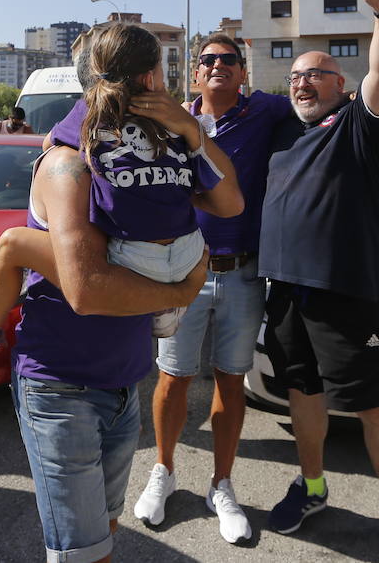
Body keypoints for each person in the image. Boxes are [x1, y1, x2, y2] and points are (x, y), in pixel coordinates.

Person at [0, 23, 224, 563]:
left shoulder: (153, 153)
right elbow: (87, 290)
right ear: (146, 78)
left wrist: (189, 132)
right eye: (164, 68)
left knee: (105, 528)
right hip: (60, 386)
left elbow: (227, 201)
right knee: (83, 552)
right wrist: (181, 290)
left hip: (123, 382)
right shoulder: (71, 160)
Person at [0, 22, 242, 359]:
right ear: (150, 79)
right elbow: (231, 202)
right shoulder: (173, 132)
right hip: (188, 257)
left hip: (129, 266)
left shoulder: (87, 123)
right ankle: (163, 310)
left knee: (11, 244)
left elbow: (49, 143)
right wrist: (191, 129)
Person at [258, 0, 379, 562]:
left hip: (350, 292)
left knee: (375, 407)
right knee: (302, 394)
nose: (303, 83)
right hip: (286, 294)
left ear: (340, 86)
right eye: (296, 76)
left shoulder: (357, 127)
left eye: (316, 75)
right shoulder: (280, 135)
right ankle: (312, 487)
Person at [132, 33, 291, 544]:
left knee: (229, 380)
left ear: (243, 72)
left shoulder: (265, 114)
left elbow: (320, 111)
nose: (219, 65)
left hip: (244, 272)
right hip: (184, 271)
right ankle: (164, 469)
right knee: (173, 377)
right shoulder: (168, 119)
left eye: (229, 60)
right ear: (194, 73)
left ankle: (222, 485)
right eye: (209, 60)